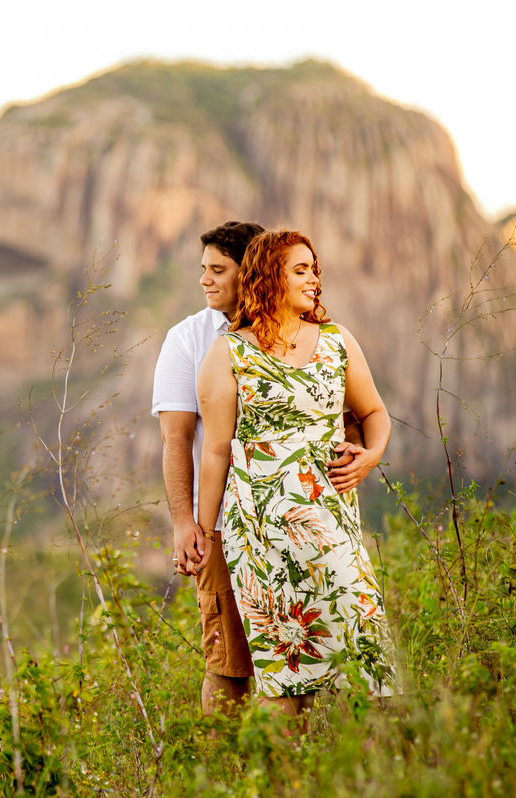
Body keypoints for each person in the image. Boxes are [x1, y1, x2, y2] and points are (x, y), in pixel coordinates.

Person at [151, 221, 369, 716]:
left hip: (308, 529)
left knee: (308, 664)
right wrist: (189, 525)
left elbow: (347, 416)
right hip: (226, 526)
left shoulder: (308, 331)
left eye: (217, 270)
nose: (205, 281)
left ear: (252, 271)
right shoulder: (191, 339)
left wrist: (348, 470)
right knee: (230, 665)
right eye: (203, 269)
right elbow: (178, 439)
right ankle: (219, 778)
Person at [195, 228, 396, 732]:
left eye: (315, 269)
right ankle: (279, 783)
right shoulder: (227, 355)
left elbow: (374, 412)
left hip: (332, 527)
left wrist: (370, 457)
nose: (314, 279)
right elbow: (215, 450)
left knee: (371, 658)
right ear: (270, 277)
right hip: (261, 542)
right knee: (283, 678)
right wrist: (204, 533)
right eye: (300, 269)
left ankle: (377, 776)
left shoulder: (336, 340)